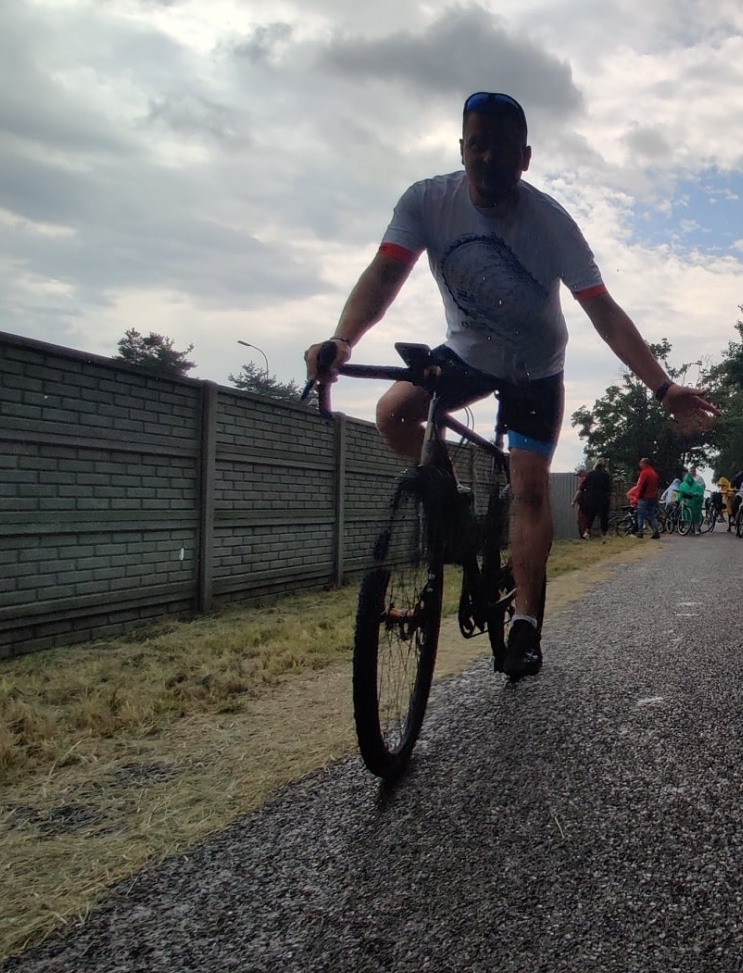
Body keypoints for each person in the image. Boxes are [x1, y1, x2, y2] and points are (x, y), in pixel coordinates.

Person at [306, 91, 717, 679]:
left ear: (524, 159)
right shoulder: (427, 201)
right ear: (462, 148)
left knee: (526, 488)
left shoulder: (550, 222)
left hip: (535, 367)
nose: (487, 160)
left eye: (502, 150)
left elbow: (601, 309)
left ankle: (525, 625)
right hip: (466, 354)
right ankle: (451, 506)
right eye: (477, 145)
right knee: (392, 412)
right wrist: (342, 341)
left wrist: (661, 387)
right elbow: (385, 273)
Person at [579, 459, 612, 538]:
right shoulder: (605, 475)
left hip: (591, 498)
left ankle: (587, 532)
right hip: (602, 498)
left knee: (591, 516)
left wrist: (587, 493)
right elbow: (609, 488)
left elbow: (582, 487)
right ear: (604, 466)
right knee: (603, 517)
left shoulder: (590, 474)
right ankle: (604, 533)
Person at [635, 456, 661, 539]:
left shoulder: (644, 473)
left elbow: (640, 485)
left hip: (644, 497)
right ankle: (656, 532)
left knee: (640, 515)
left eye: (641, 463)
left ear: (644, 463)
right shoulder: (654, 473)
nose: (640, 465)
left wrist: (637, 496)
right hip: (652, 497)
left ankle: (640, 532)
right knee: (652, 515)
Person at [573, 469, 590, 539]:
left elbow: (579, 491)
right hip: (590, 501)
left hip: (583, 502)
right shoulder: (590, 480)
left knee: (581, 519)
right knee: (588, 518)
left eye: (579, 475)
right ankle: (586, 533)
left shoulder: (583, 480)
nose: (579, 477)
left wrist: (574, 501)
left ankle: (584, 534)